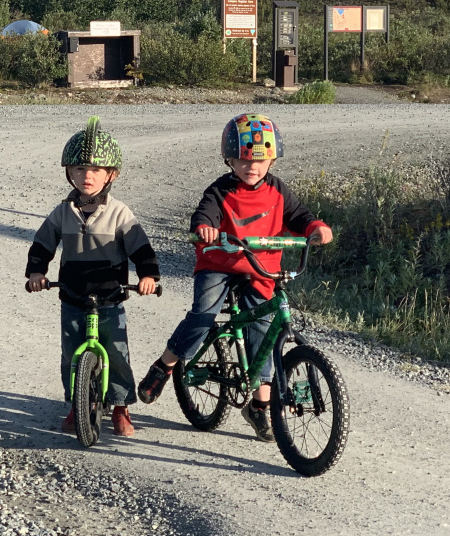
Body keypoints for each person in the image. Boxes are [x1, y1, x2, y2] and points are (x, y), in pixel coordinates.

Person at [136, 113, 331, 442]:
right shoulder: (220, 190)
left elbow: (299, 216)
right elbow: (204, 214)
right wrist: (204, 229)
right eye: (242, 159)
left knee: (263, 329)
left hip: (260, 268)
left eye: (259, 159)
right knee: (204, 315)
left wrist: (315, 228)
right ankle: (166, 364)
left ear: (272, 158)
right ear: (228, 159)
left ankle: (259, 406)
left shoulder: (279, 190)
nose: (251, 166)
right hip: (219, 263)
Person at [26, 117, 159, 438]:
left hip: (111, 296)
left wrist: (148, 276)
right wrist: (36, 272)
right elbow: (43, 244)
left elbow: (141, 248)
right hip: (72, 295)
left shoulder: (120, 213)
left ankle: (120, 407)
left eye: (96, 170)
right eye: (80, 169)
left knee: (116, 352)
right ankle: (77, 404)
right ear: (69, 173)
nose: (87, 176)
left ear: (110, 175)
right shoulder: (61, 212)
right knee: (70, 354)